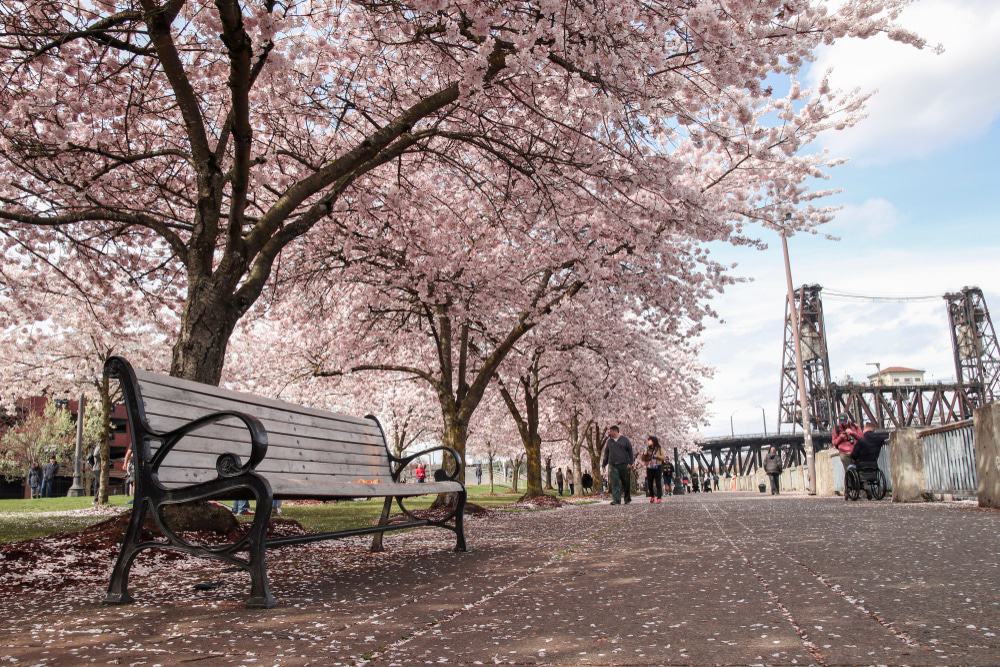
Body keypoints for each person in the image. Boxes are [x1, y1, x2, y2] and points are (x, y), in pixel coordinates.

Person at [600, 425, 634, 505]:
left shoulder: (625, 440)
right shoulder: (609, 441)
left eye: (610, 431)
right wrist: (604, 464)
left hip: (624, 465)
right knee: (615, 483)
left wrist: (630, 463)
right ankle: (616, 500)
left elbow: (630, 452)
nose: (609, 433)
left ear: (615, 431)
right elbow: (606, 454)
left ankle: (627, 499)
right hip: (613, 465)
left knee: (626, 483)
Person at [641, 436, 665, 503]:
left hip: (658, 467)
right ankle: (652, 496)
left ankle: (659, 497)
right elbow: (643, 459)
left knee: (658, 483)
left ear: (653, 441)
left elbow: (663, 457)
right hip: (649, 467)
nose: (648, 442)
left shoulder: (659, 449)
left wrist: (657, 456)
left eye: (649, 440)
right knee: (650, 483)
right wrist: (644, 454)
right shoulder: (647, 449)